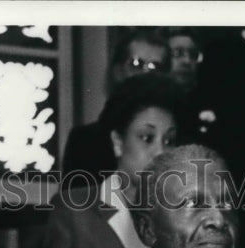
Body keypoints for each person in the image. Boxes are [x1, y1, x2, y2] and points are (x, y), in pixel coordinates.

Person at [41, 73, 179, 248]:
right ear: (118, 142)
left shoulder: (180, 217)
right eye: (146, 138)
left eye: (169, 140)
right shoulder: (75, 210)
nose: (160, 151)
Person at [61, 27, 170, 182]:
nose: (145, 74)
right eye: (136, 64)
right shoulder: (85, 141)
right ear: (118, 71)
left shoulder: (181, 140)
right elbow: (73, 201)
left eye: (155, 67)